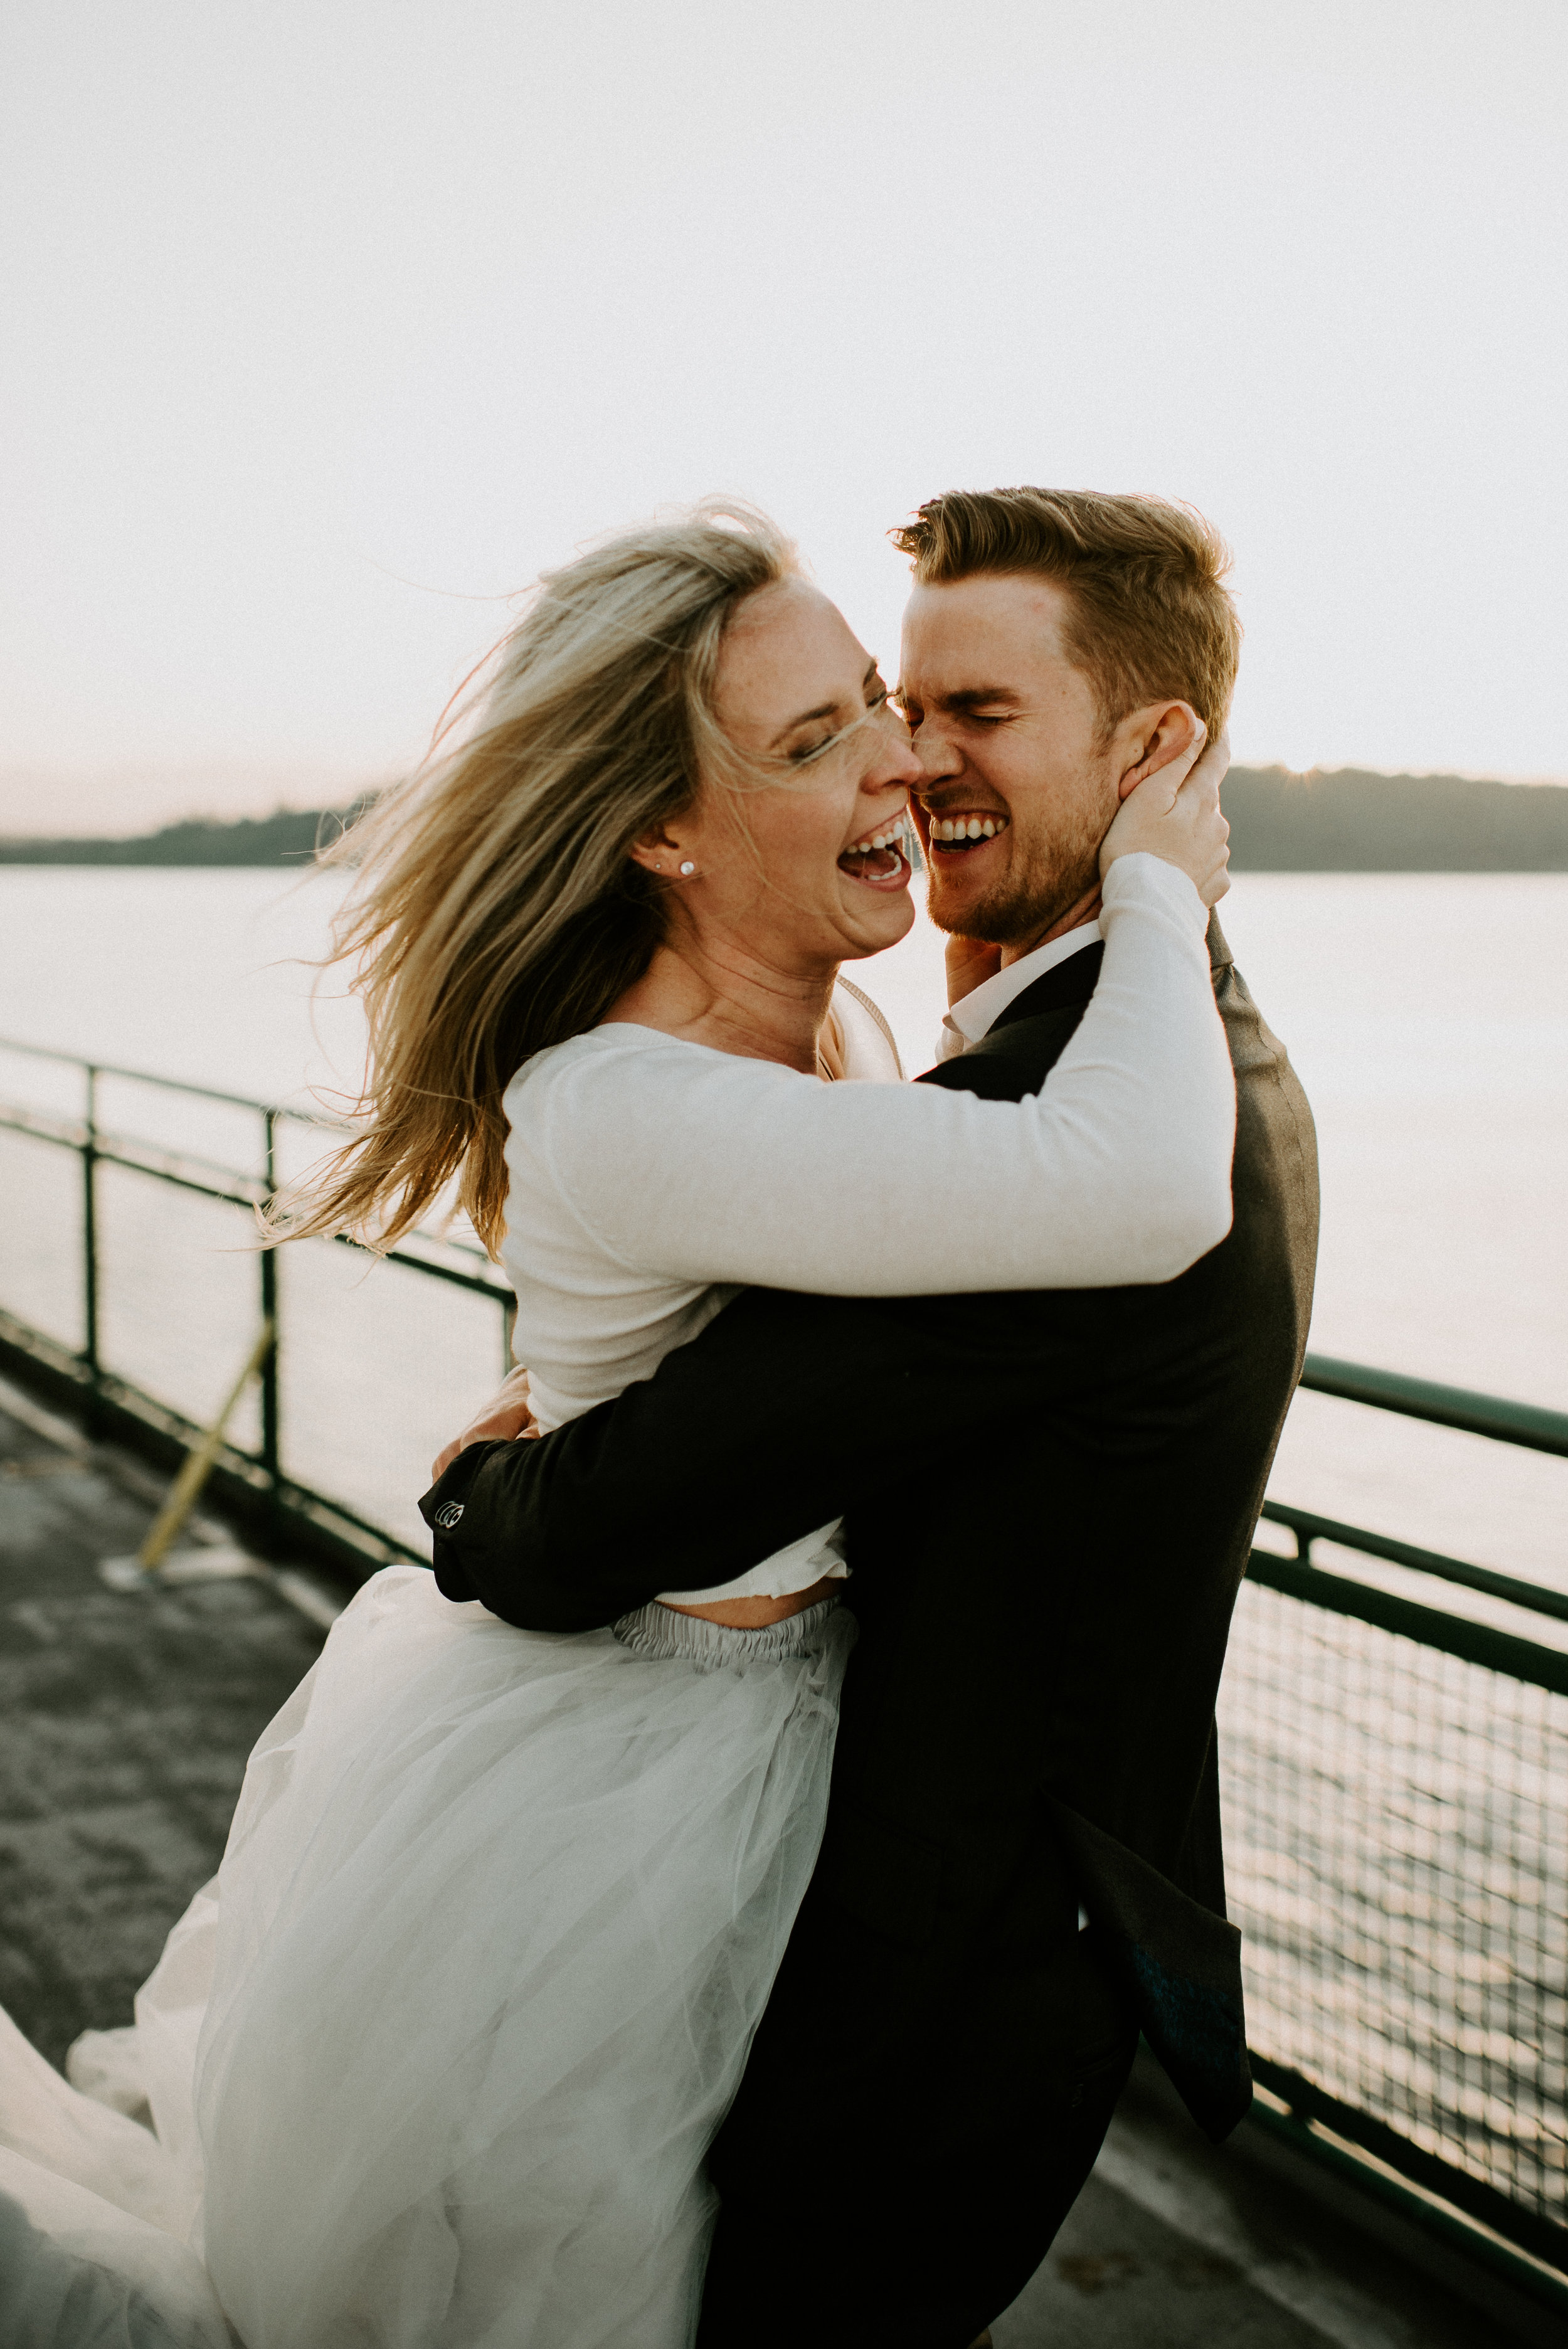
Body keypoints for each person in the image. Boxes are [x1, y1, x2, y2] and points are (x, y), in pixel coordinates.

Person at [0, 500, 1233, 2349]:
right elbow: (1133, 1188)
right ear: (661, 825)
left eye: (876, 706)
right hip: (620, 1796)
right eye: (815, 739)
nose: (895, 755)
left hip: (774, 1763)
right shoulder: (636, 1099)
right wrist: (1159, 880)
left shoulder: (826, 1046)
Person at [424, 487, 1321, 2349]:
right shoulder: (1166, 1054)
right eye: (883, 711)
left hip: (943, 1979)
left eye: (971, 713)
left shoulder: (1089, 1137)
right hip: (969, 1923)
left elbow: (595, 1518)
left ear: (1157, 752)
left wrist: (477, 1487)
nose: (917, 761)